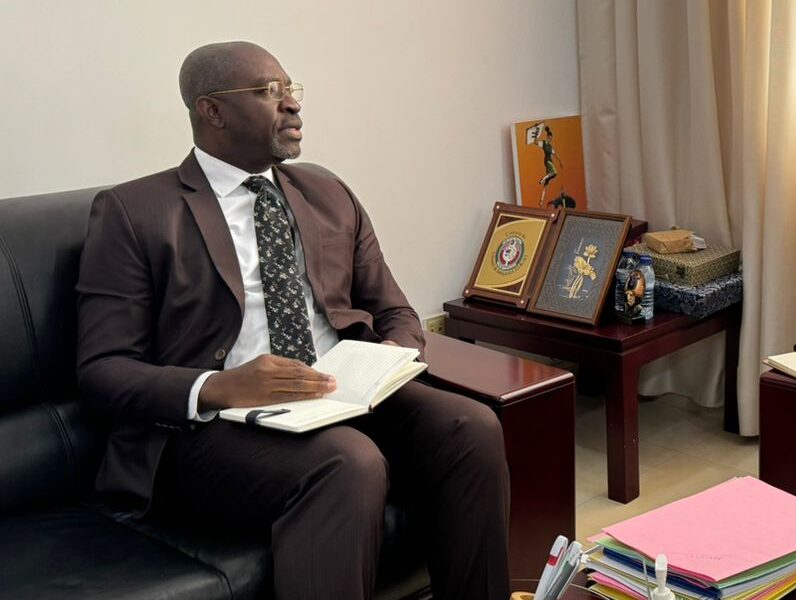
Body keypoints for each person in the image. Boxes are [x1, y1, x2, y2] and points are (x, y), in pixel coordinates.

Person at [76, 41, 510, 600]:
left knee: (470, 428)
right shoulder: (133, 212)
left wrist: (384, 363)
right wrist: (221, 387)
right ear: (212, 110)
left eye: (291, 90)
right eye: (268, 93)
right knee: (347, 463)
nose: (293, 106)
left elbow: (395, 311)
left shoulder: (328, 193)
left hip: (343, 393)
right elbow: (101, 369)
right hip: (214, 430)